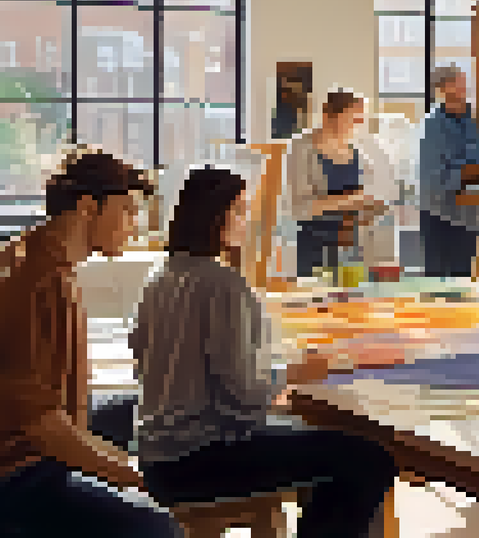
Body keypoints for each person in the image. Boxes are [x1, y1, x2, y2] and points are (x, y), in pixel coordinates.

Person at [133, 166, 398, 537]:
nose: (247, 220)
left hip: (157, 454)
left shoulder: (160, 276)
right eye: (240, 210)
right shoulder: (221, 283)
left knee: (327, 448)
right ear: (216, 217)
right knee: (369, 459)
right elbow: (244, 395)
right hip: (202, 455)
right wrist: (296, 373)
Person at [0, 150, 183, 538]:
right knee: (155, 528)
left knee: (145, 405)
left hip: (42, 440)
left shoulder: (46, 260)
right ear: (87, 207)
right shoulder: (37, 282)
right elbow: (42, 429)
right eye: (129, 211)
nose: (135, 225)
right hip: (18, 472)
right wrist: (130, 473)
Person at [287, 90, 388, 278]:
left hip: (351, 247)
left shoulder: (358, 151)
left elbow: (363, 201)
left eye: (360, 118)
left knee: (353, 302)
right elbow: (300, 207)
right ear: (328, 115)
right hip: (314, 246)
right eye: (352, 117)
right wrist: (354, 198)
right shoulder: (302, 148)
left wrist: (373, 208)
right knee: (315, 302)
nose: (358, 123)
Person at [420, 65, 479, 277]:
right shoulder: (431, 125)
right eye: (456, 82)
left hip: (469, 212)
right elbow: (431, 175)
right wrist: (467, 172)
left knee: (462, 276)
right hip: (437, 211)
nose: (463, 86)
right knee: (436, 278)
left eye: (463, 81)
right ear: (443, 88)